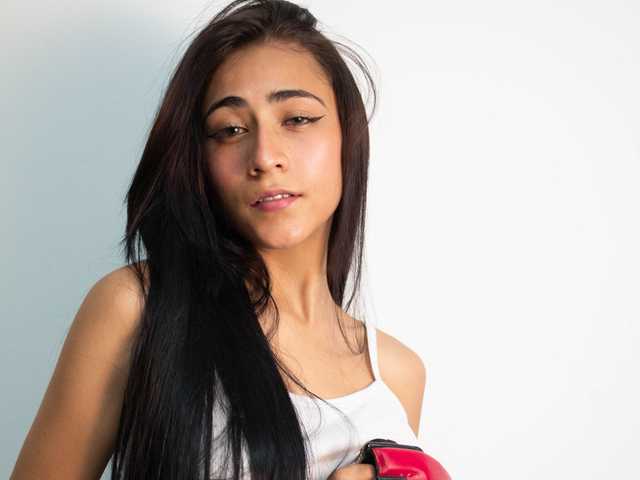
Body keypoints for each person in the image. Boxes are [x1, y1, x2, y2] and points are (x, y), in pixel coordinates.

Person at [10, 1, 427, 478]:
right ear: (199, 160)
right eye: (230, 130)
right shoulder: (139, 308)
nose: (264, 156)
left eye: (296, 119)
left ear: (347, 137)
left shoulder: (397, 375)